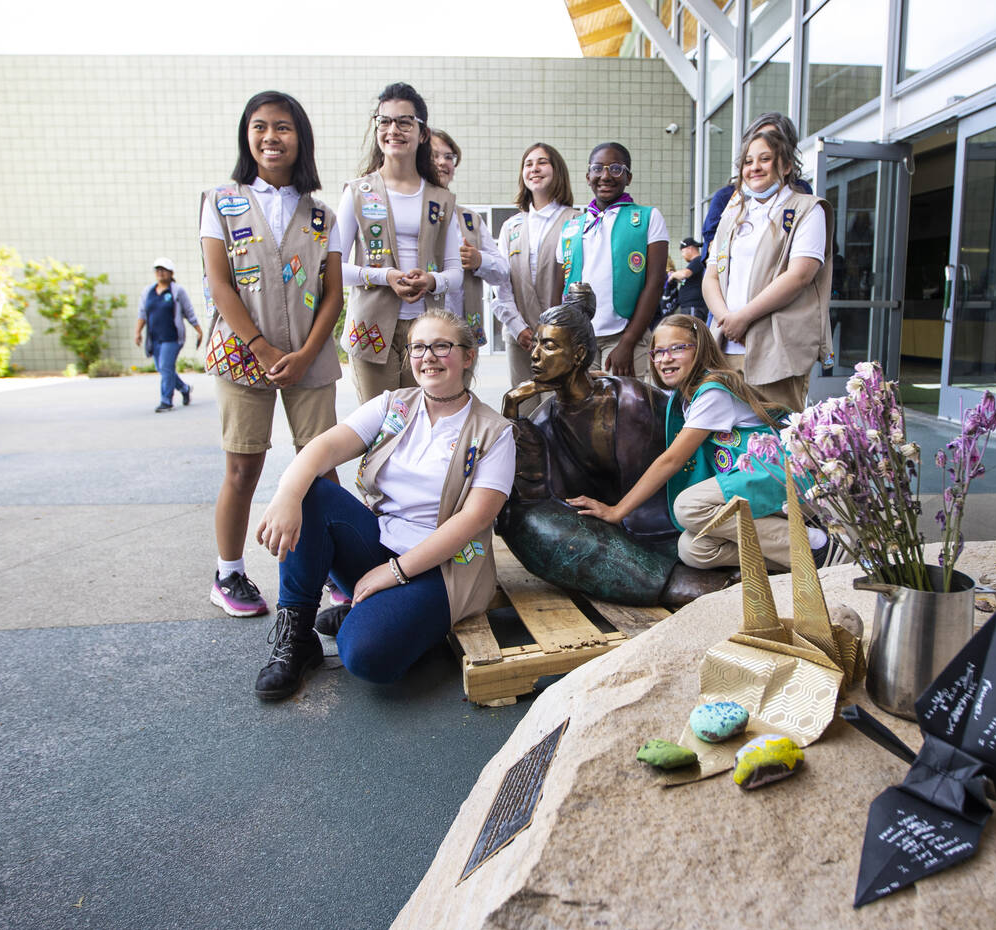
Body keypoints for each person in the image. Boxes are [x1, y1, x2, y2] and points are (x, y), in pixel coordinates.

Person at [252, 310, 515, 700]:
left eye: (441, 346)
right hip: (378, 544)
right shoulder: (394, 405)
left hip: (442, 568)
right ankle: (298, 636)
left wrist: (394, 574)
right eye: (419, 347)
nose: (428, 356)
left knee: (367, 658)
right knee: (311, 492)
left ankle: (385, 616)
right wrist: (287, 494)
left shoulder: (495, 432)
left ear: (468, 356)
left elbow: (474, 520)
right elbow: (325, 446)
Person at [199, 90, 343, 618]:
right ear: (247, 136)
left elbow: (332, 295)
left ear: (299, 137)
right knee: (244, 468)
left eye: (281, 127)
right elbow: (219, 284)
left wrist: (306, 354)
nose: (269, 137)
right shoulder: (221, 201)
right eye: (259, 127)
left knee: (321, 469)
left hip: (311, 357)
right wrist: (259, 347)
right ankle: (230, 574)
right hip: (243, 357)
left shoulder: (323, 213)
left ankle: (335, 571)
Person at [498, 284, 733, 607]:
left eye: (549, 346)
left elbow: (675, 462)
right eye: (536, 344)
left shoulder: (631, 400)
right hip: (609, 528)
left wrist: (618, 513)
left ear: (578, 354)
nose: (535, 355)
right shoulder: (544, 419)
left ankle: (671, 579)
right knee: (522, 521)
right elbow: (531, 491)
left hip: (670, 519)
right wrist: (511, 406)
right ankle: (664, 579)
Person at [568, 314, 835, 572]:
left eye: (677, 348)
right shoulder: (688, 394)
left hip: (781, 479)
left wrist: (618, 511)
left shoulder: (713, 392)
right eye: (658, 352)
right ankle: (807, 560)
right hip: (754, 485)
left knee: (689, 507)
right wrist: (603, 379)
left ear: (700, 350)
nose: (665, 358)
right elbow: (655, 392)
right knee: (693, 549)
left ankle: (815, 544)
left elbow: (671, 460)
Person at [337, 83, 461, 403]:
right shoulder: (357, 192)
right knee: (380, 427)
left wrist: (432, 280)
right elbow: (334, 266)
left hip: (426, 332)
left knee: (420, 423)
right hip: (371, 328)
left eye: (404, 122)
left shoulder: (441, 199)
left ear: (422, 133)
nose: (394, 130)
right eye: (384, 121)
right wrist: (385, 276)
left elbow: (455, 272)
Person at [702, 128, 834, 415]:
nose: (754, 168)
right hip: (726, 345)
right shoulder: (733, 214)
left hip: (777, 350)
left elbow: (800, 275)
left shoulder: (807, 210)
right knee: (726, 441)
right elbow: (711, 275)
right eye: (748, 161)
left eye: (765, 159)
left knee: (777, 441)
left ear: (786, 166)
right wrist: (726, 319)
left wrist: (744, 317)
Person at [553, 142, 668, 380]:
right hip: (578, 338)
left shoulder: (647, 217)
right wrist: (561, 337)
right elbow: (557, 289)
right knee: (581, 411)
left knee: (625, 411)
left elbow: (655, 283)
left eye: (616, 168)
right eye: (598, 169)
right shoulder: (572, 227)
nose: (605, 176)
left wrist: (628, 341)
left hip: (625, 335)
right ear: (588, 176)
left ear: (628, 176)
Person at [492, 143, 578, 396]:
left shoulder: (575, 221)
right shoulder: (511, 226)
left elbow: (578, 280)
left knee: (559, 405)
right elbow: (501, 285)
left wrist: (557, 330)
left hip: (562, 337)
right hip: (520, 335)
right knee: (524, 406)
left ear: (557, 170)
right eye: (528, 164)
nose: (534, 169)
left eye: (542, 162)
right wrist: (519, 329)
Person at [429, 128, 509, 347]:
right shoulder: (407, 214)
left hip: (462, 337)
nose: (442, 162)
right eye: (434, 155)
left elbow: (503, 271)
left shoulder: (469, 219)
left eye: (448, 157)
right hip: (421, 333)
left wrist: (479, 260)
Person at [700, 112, 813, 262]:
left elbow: (802, 269)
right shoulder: (727, 199)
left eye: (773, 139)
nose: (762, 142)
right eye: (757, 137)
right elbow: (713, 260)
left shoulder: (802, 196)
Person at [135, 257, 202, 412]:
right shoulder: (148, 292)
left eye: (163, 270)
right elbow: (142, 313)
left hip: (172, 337)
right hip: (154, 338)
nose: (160, 273)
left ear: (171, 273)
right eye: (157, 270)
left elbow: (189, 312)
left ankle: (166, 401)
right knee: (163, 369)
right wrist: (137, 332)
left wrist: (198, 330)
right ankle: (184, 389)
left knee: (165, 366)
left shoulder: (177, 291)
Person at [670, 237, 707, 320]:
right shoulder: (696, 263)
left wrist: (672, 275)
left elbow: (684, 274)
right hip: (690, 306)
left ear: (689, 249)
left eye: (682, 251)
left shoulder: (698, 260)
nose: (682, 255)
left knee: (692, 331)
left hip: (694, 306)